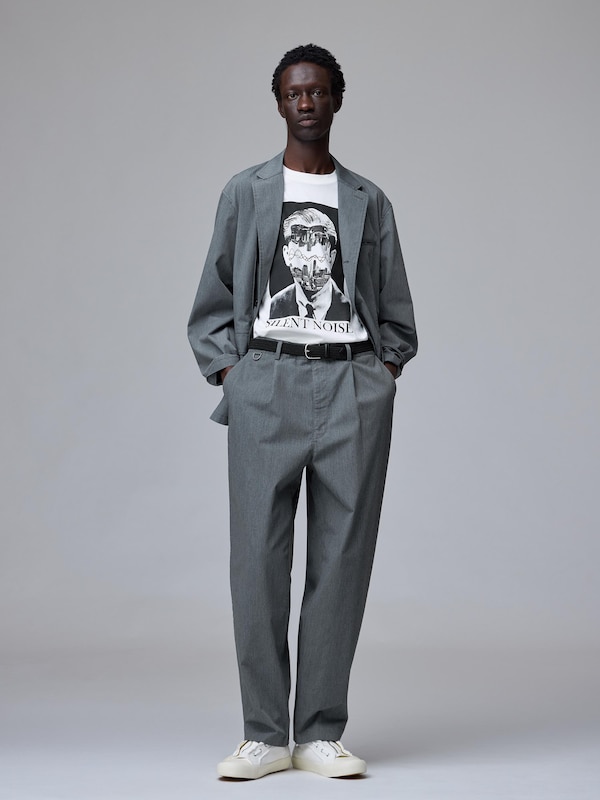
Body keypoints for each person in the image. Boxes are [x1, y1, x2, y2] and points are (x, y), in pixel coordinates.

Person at [188, 43, 417, 780]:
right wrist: (235, 374)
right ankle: (263, 733)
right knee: (257, 560)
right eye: (294, 93)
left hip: (352, 386)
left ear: (336, 100)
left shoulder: (368, 200)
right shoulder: (247, 192)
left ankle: (319, 732)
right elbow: (213, 300)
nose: (307, 103)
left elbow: (395, 306)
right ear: (280, 103)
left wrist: (381, 374)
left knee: (341, 561)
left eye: (318, 91)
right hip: (268, 382)